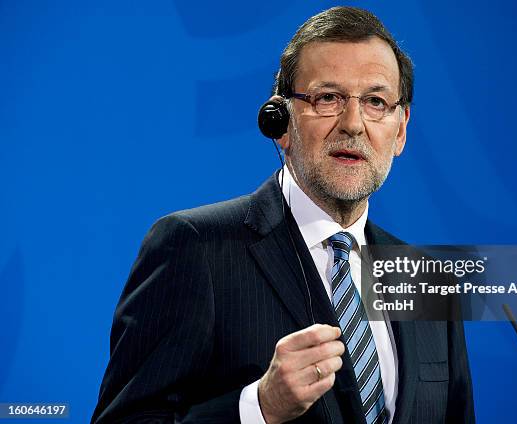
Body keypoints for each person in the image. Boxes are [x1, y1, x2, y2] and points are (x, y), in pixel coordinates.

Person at [91, 6, 474, 424]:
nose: (354, 124)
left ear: (400, 130)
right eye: (328, 98)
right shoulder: (194, 248)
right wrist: (258, 407)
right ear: (281, 123)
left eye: (376, 102)